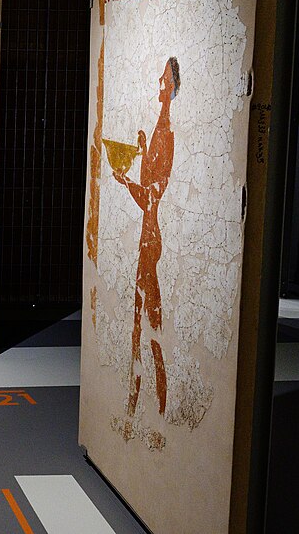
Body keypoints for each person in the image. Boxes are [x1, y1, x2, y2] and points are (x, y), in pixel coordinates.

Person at [112, 56, 179, 417]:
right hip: (146, 238)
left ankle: (154, 404)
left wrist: (125, 182)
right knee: (141, 324)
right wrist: (139, 154)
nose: (159, 81)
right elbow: (149, 184)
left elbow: (151, 198)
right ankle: (137, 404)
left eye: (165, 79)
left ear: (172, 87)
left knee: (150, 325)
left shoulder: (166, 134)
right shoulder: (158, 128)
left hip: (151, 241)